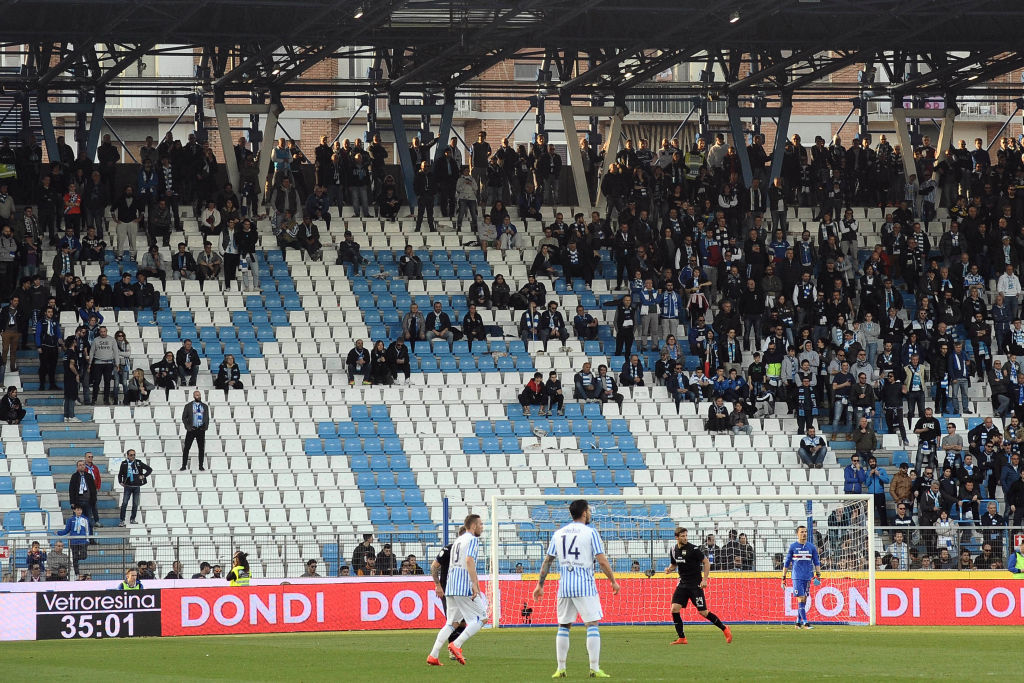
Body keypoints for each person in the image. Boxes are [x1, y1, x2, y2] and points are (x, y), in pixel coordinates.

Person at [533, 499, 619, 679]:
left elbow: (548, 561)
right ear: (584, 512)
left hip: (564, 587)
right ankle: (594, 668)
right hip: (585, 585)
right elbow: (601, 560)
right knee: (592, 624)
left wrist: (540, 584)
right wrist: (613, 580)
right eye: (588, 510)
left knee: (564, 626)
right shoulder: (590, 532)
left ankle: (561, 669)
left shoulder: (559, 533)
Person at [426, 514, 487, 667]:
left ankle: (433, 655)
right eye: (480, 524)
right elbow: (469, 560)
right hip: (463, 584)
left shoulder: (458, 540)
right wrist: (474, 582)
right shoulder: (473, 539)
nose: (482, 527)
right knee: (481, 618)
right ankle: (457, 644)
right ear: (473, 526)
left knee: (451, 623)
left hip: (451, 585)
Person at [664, 527, 733, 645]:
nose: (685, 538)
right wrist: (670, 569)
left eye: (686, 535)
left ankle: (724, 628)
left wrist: (705, 580)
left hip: (695, 585)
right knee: (674, 609)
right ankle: (682, 638)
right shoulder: (673, 550)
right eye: (682, 536)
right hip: (682, 584)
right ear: (677, 537)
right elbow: (675, 563)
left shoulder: (693, 549)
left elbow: (706, 562)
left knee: (703, 612)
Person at [431, 524, 469, 655]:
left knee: (463, 622)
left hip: (462, 590)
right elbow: (434, 567)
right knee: (453, 622)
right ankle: (450, 652)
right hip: (448, 590)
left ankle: (455, 647)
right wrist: (437, 585)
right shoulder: (448, 550)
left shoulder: (467, 552)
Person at [782, 525, 821, 629]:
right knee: (801, 598)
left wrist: (818, 575)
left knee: (804, 599)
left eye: (805, 532)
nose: (804, 534)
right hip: (797, 577)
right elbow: (787, 563)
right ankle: (805, 623)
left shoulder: (811, 547)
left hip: (808, 577)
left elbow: (816, 561)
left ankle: (798, 622)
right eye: (802, 532)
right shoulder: (793, 546)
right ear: (797, 533)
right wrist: (783, 577)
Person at [117, 448, 151, 527]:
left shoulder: (138, 462)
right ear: (127, 455)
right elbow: (120, 474)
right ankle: (122, 520)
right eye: (131, 455)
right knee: (124, 503)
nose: (133, 456)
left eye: (134, 455)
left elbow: (149, 469)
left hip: (136, 486)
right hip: (128, 486)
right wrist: (120, 482)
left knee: (135, 504)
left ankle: (132, 519)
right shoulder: (124, 463)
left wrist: (143, 476)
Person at [56, 503, 90, 574]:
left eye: (80, 510)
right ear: (74, 511)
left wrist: (87, 540)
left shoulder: (85, 519)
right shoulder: (70, 520)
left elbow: (87, 530)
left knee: (84, 556)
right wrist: (59, 532)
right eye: (78, 510)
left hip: (82, 541)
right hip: (74, 542)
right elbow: (66, 530)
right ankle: (77, 573)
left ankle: (76, 559)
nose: (79, 511)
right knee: (75, 559)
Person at [181, 390, 210, 471]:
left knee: (201, 448)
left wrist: (205, 427)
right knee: (187, 448)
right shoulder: (188, 406)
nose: (198, 396)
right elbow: (184, 417)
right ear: (194, 396)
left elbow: (207, 417)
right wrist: (188, 427)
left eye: (199, 395)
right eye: (197, 395)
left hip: (200, 429)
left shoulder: (205, 406)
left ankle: (201, 465)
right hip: (191, 429)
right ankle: (184, 465)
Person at [68, 459, 97, 528]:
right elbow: (71, 490)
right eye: (80, 465)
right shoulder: (74, 476)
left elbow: (93, 489)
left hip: (88, 501)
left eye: (83, 465)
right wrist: (72, 502)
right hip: (78, 501)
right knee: (77, 520)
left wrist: (94, 500)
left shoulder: (89, 476)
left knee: (89, 520)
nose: (82, 466)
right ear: (77, 467)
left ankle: (90, 537)